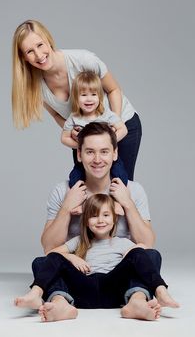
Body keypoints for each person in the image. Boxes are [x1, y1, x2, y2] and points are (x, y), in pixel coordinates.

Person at [39, 122, 161, 321]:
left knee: (151, 256)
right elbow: (49, 248)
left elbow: (146, 245)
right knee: (43, 263)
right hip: (78, 279)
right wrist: (66, 208)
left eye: (104, 151)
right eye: (89, 152)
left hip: (119, 278)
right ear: (79, 155)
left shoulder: (133, 190)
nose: (97, 160)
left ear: (115, 153)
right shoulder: (63, 191)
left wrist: (127, 204)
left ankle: (136, 300)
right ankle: (61, 304)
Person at [15, 194, 179, 322]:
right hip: (82, 289)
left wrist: (133, 255)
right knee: (41, 261)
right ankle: (57, 303)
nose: (100, 220)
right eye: (94, 216)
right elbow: (51, 253)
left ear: (114, 219)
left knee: (151, 255)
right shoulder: (78, 241)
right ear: (86, 221)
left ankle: (144, 298)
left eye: (106, 215)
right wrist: (73, 258)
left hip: (114, 289)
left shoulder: (122, 242)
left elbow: (143, 250)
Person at [12, 19, 142, 180]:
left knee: (120, 183)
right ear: (23, 57)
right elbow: (57, 116)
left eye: (40, 45)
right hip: (85, 136)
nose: (39, 55)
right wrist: (72, 131)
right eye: (29, 51)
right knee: (84, 187)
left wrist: (112, 125)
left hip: (123, 124)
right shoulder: (34, 86)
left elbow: (114, 89)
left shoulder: (83, 60)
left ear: (48, 40)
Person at [62, 70, 129, 188]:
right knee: (74, 181)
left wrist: (108, 143)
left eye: (93, 95)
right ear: (76, 98)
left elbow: (123, 130)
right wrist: (80, 144)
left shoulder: (106, 114)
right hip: (84, 159)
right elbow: (64, 138)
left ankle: (117, 202)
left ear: (100, 97)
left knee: (121, 176)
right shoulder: (74, 118)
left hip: (107, 159)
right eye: (83, 95)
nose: (89, 99)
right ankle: (81, 203)